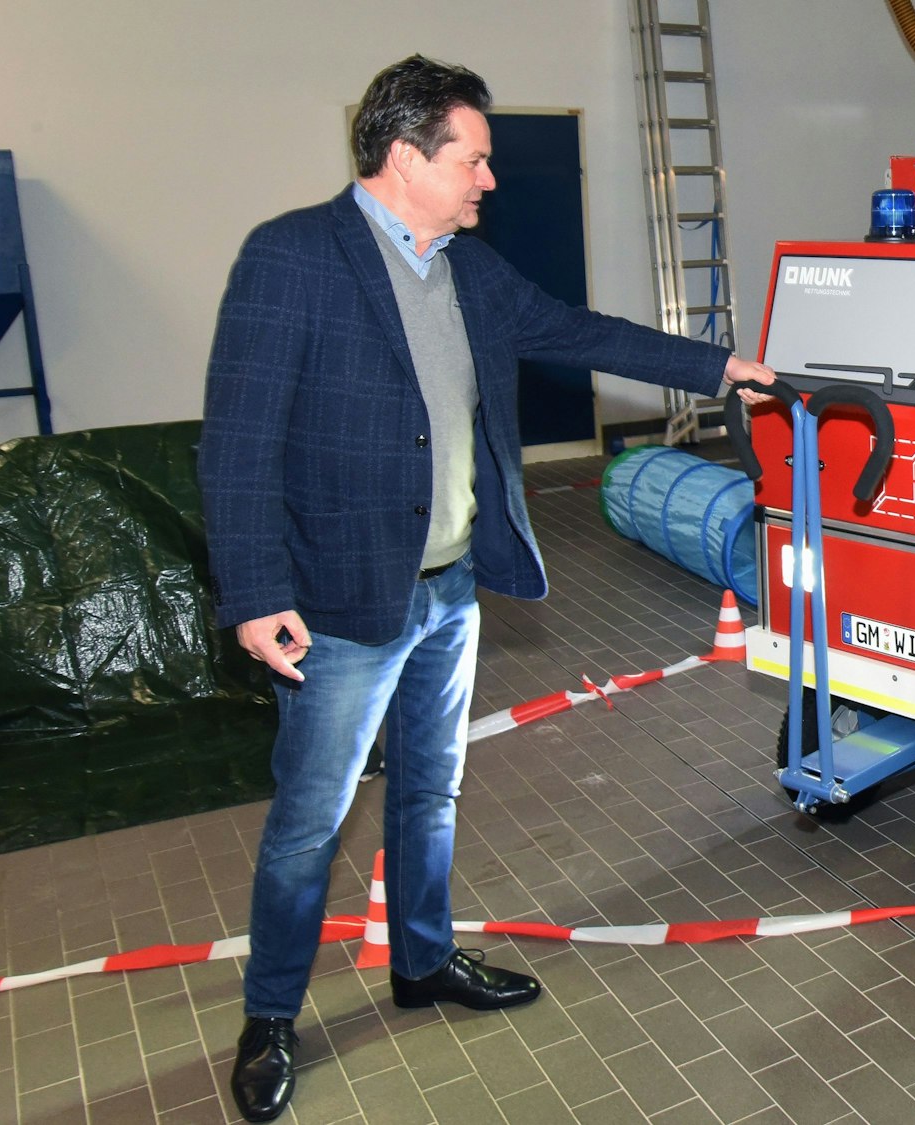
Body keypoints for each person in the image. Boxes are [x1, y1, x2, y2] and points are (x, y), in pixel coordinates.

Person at [198, 56, 774, 1122]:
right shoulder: (292, 258)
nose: (489, 180)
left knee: (429, 791)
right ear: (408, 156)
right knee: (310, 822)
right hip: (339, 604)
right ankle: (270, 1015)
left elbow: (574, 330)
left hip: (448, 589)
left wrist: (716, 367)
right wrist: (252, 591)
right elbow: (236, 446)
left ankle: (421, 964)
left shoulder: (466, 268)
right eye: (474, 158)